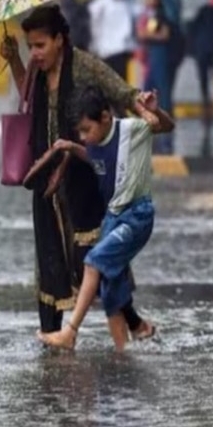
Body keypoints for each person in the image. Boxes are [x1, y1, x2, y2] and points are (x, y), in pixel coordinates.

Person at [0, 4, 157, 341]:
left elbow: (119, 91)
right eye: (30, 46)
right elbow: (27, 94)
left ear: (60, 40)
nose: (35, 53)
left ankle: (130, 323)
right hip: (46, 175)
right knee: (49, 257)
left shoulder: (84, 65)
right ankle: (51, 335)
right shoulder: (38, 71)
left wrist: (142, 102)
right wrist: (14, 59)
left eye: (40, 46)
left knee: (95, 255)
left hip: (83, 176)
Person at [38, 86, 175, 351]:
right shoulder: (93, 142)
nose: (83, 137)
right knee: (111, 290)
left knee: (94, 262)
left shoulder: (132, 129)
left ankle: (70, 333)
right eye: (79, 132)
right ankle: (123, 352)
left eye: (86, 130)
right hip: (113, 216)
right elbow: (92, 157)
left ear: (104, 117)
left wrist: (155, 110)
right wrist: (70, 146)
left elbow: (166, 126)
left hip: (136, 216)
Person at [138, 0, 175, 154]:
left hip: (160, 56)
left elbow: (163, 35)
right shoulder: (149, 15)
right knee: (148, 90)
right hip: (152, 57)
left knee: (162, 92)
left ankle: (166, 130)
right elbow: (142, 34)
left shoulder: (161, 15)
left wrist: (147, 35)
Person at [88, 0, 135, 79]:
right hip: (105, 49)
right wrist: (94, 44)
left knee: (121, 79)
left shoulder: (129, 3)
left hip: (123, 48)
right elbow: (93, 23)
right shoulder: (101, 3)